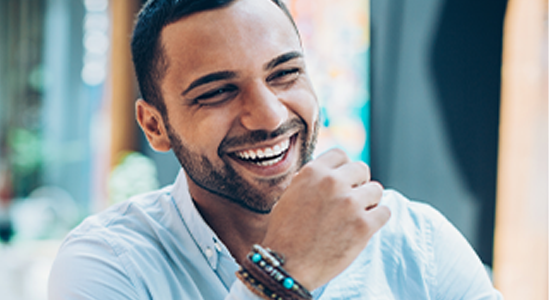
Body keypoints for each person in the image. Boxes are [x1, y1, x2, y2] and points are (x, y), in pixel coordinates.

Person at [48, 0, 503, 299]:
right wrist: (284, 274)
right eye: (218, 91)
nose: (268, 117)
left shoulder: (415, 243)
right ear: (155, 126)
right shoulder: (108, 264)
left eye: (284, 73)